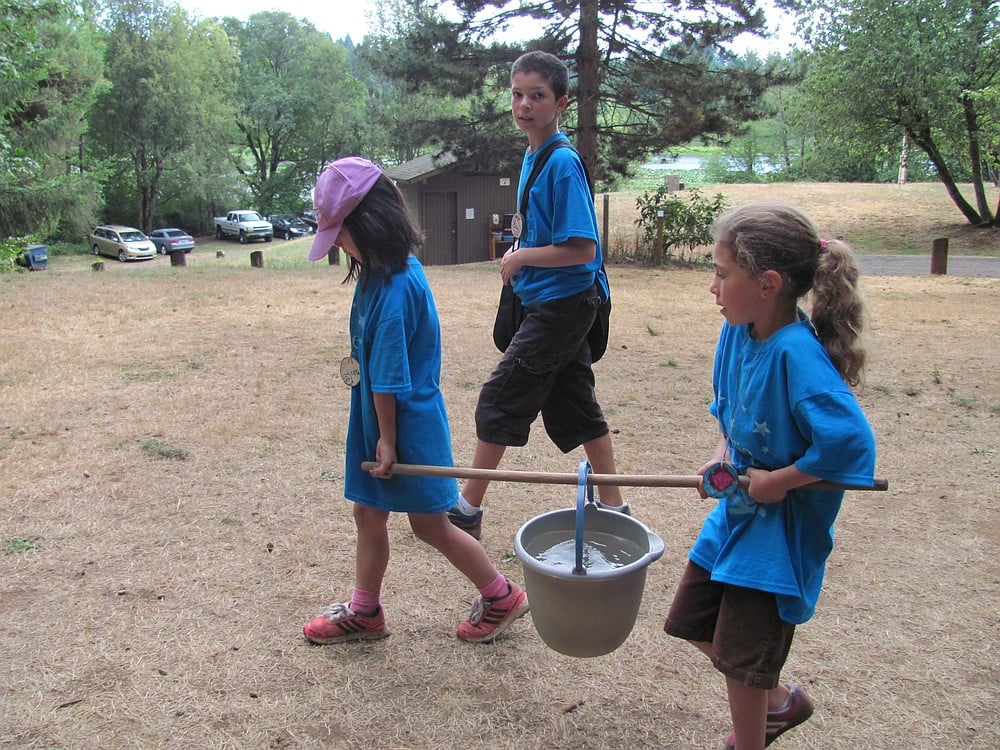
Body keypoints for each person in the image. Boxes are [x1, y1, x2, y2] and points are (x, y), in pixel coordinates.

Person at [663, 201, 877, 750]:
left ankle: (751, 737)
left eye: (721, 273)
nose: (712, 286)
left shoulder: (797, 356)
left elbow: (850, 444)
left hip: (777, 540)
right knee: (692, 621)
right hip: (736, 518)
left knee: (740, 662)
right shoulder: (738, 332)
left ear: (768, 283)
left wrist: (778, 481)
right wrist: (721, 454)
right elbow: (727, 411)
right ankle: (780, 703)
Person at [302, 156, 529, 645]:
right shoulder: (382, 273)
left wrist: (387, 439)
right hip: (379, 418)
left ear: (370, 221)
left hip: (403, 424)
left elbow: (387, 375)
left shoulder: (397, 286)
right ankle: (365, 611)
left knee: (430, 526)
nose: (338, 244)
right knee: (369, 512)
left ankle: (501, 595)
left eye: (341, 232)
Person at [447, 50, 625, 541]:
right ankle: (615, 508)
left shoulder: (562, 163)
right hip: (547, 302)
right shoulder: (533, 155)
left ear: (561, 102)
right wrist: (521, 251)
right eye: (517, 94)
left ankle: (465, 509)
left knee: (499, 398)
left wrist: (522, 257)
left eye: (537, 96)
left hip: (563, 306)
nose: (524, 105)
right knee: (577, 408)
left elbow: (582, 249)